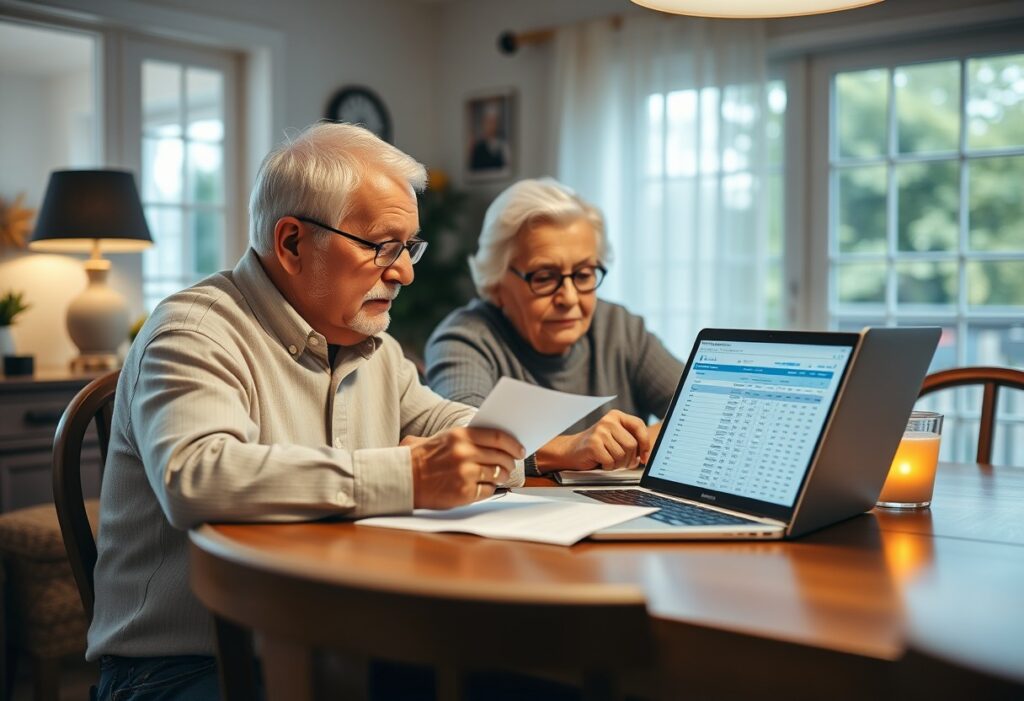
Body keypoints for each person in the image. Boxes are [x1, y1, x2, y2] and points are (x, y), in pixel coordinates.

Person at [87, 122, 524, 701]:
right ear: (291, 242)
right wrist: (410, 475)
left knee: (514, 682)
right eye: (380, 246)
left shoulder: (376, 348)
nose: (404, 272)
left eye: (409, 247)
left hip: (337, 645)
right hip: (182, 668)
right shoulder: (194, 333)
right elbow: (196, 475)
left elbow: (450, 427)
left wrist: (509, 447)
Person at [426, 178, 684, 477]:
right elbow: (466, 443)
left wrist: (635, 443)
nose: (570, 298)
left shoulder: (620, 328)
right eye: (545, 276)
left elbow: (695, 413)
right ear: (495, 282)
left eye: (584, 274)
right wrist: (570, 449)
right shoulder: (464, 339)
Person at [468, 99, 509, 172]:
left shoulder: (503, 145)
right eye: (488, 122)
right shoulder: (478, 147)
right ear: (484, 124)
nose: (491, 126)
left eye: (493, 122)